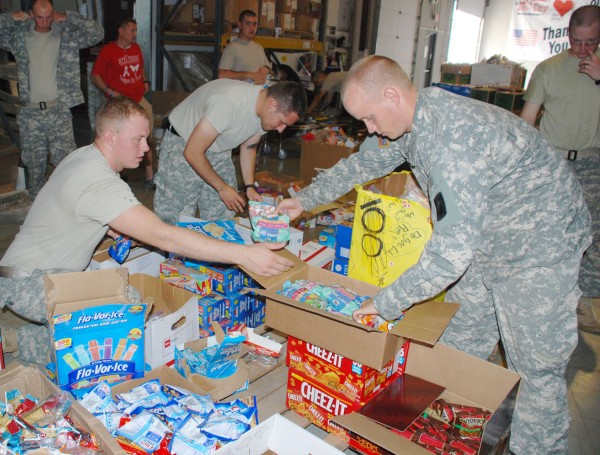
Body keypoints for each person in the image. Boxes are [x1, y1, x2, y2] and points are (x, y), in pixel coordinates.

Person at [276, 55, 591, 455]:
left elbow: (448, 256)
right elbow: (363, 163)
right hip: (486, 235)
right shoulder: (411, 118)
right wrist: (303, 202)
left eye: (370, 118)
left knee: (534, 371)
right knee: (461, 341)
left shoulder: (452, 140)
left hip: (540, 243)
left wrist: (386, 303)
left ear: (391, 94)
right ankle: (450, 439)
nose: (370, 129)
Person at [0, 97, 294, 365]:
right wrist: (243, 255)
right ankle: (25, 341)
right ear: (111, 137)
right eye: (138, 139)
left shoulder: (86, 156)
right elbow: (164, 235)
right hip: (29, 285)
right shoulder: (99, 182)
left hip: (46, 270)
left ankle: (51, 327)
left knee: (130, 297)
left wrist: (106, 226)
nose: (146, 148)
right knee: (126, 319)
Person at [520, 5, 600, 334]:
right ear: (567, 34)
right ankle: (537, 300)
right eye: (576, 41)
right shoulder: (548, 69)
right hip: (553, 162)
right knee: (544, 232)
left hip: (592, 161)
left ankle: (586, 302)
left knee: (592, 237)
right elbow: (527, 120)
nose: (582, 49)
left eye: (591, 42)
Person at [0, 0, 104, 198]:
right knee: (35, 167)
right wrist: (9, 18)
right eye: (39, 17)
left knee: (66, 165)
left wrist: (70, 17)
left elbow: (98, 33)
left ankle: (66, 208)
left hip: (59, 112)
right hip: (30, 114)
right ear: (30, 14)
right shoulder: (18, 36)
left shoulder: (67, 35)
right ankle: (36, 208)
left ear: (54, 14)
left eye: (49, 17)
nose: (45, 22)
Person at [153, 79, 306, 225]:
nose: (281, 129)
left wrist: (249, 187)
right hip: (183, 143)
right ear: (272, 105)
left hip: (218, 147)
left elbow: (249, 147)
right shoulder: (229, 102)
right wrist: (221, 187)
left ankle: (214, 249)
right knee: (178, 216)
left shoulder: (264, 114)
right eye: (282, 122)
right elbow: (192, 152)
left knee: (223, 211)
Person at [91, 17, 156, 190]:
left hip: (139, 100)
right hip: (121, 103)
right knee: (119, 139)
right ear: (121, 31)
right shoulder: (109, 51)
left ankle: (150, 176)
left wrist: (146, 81)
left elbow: (140, 68)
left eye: (136, 31)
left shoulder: (136, 48)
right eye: (132, 30)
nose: (135, 34)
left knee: (146, 138)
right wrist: (110, 92)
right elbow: (95, 75)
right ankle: (114, 174)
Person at [218, 9, 271, 85]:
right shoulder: (232, 48)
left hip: (257, 93)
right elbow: (222, 75)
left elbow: (268, 67)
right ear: (240, 24)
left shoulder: (259, 47)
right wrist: (249, 75)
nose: (252, 28)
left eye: (254, 24)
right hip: (240, 95)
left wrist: (266, 69)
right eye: (247, 23)